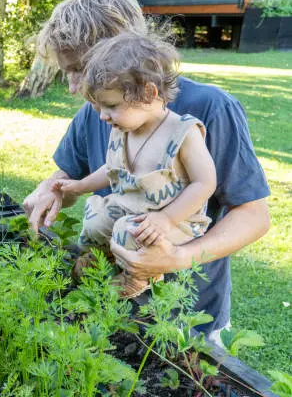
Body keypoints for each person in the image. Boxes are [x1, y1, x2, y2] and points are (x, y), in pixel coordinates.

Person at [23, 0, 270, 341]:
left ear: (123, 54)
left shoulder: (210, 108)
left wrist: (177, 258)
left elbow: (253, 215)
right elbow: (70, 174)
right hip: (110, 306)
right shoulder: (97, 111)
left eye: (80, 69)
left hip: (186, 316)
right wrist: (50, 189)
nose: (75, 87)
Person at [51, 32, 216, 299]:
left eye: (111, 106)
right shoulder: (124, 128)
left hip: (175, 220)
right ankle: (101, 256)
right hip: (132, 208)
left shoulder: (183, 133)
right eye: (98, 107)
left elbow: (205, 183)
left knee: (128, 231)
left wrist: (165, 218)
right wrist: (80, 186)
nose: (103, 116)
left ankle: (136, 276)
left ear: (148, 94)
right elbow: (111, 168)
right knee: (97, 220)